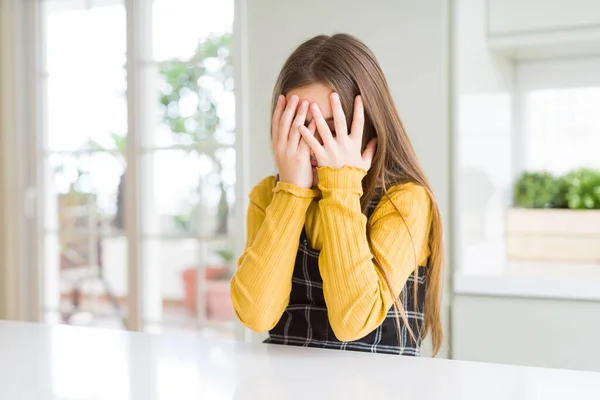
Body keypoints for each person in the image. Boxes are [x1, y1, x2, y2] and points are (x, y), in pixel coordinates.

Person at [230, 33, 444, 356]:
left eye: (331, 128)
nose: (315, 146)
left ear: (368, 125)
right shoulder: (267, 196)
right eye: (301, 127)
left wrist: (340, 186)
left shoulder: (405, 202)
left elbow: (352, 320)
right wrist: (291, 192)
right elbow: (255, 315)